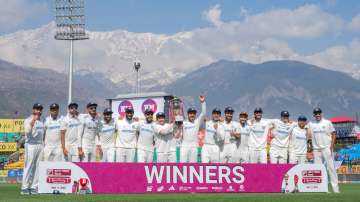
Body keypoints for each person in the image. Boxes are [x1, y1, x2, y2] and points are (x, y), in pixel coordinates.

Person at [308, 107, 339, 193]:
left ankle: (336, 190)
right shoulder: (311, 124)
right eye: (316, 113)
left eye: (319, 113)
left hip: (326, 148)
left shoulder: (327, 122)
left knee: (331, 169)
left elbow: (333, 134)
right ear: (313, 115)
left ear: (321, 114)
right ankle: (322, 189)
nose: (318, 115)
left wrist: (331, 146)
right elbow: (305, 130)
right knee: (318, 170)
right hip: (316, 150)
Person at [21, 103, 45, 195]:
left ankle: (34, 187)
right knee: (28, 166)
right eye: (36, 109)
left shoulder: (42, 120)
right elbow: (27, 131)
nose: (38, 111)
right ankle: (24, 188)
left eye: (40, 109)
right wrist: (33, 121)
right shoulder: (28, 120)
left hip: (40, 145)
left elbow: (44, 133)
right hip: (30, 145)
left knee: (37, 167)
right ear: (33, 110)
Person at [180, 95, 206, 162]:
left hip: (194, 147)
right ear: (188, 114)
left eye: (193, 113)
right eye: (190, 113)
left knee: (193, 166)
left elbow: (203, 113)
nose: (192, 115)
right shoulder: (183, 123)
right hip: (184, 146)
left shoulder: (197, 122)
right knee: (182, 165)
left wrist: (203, 102)